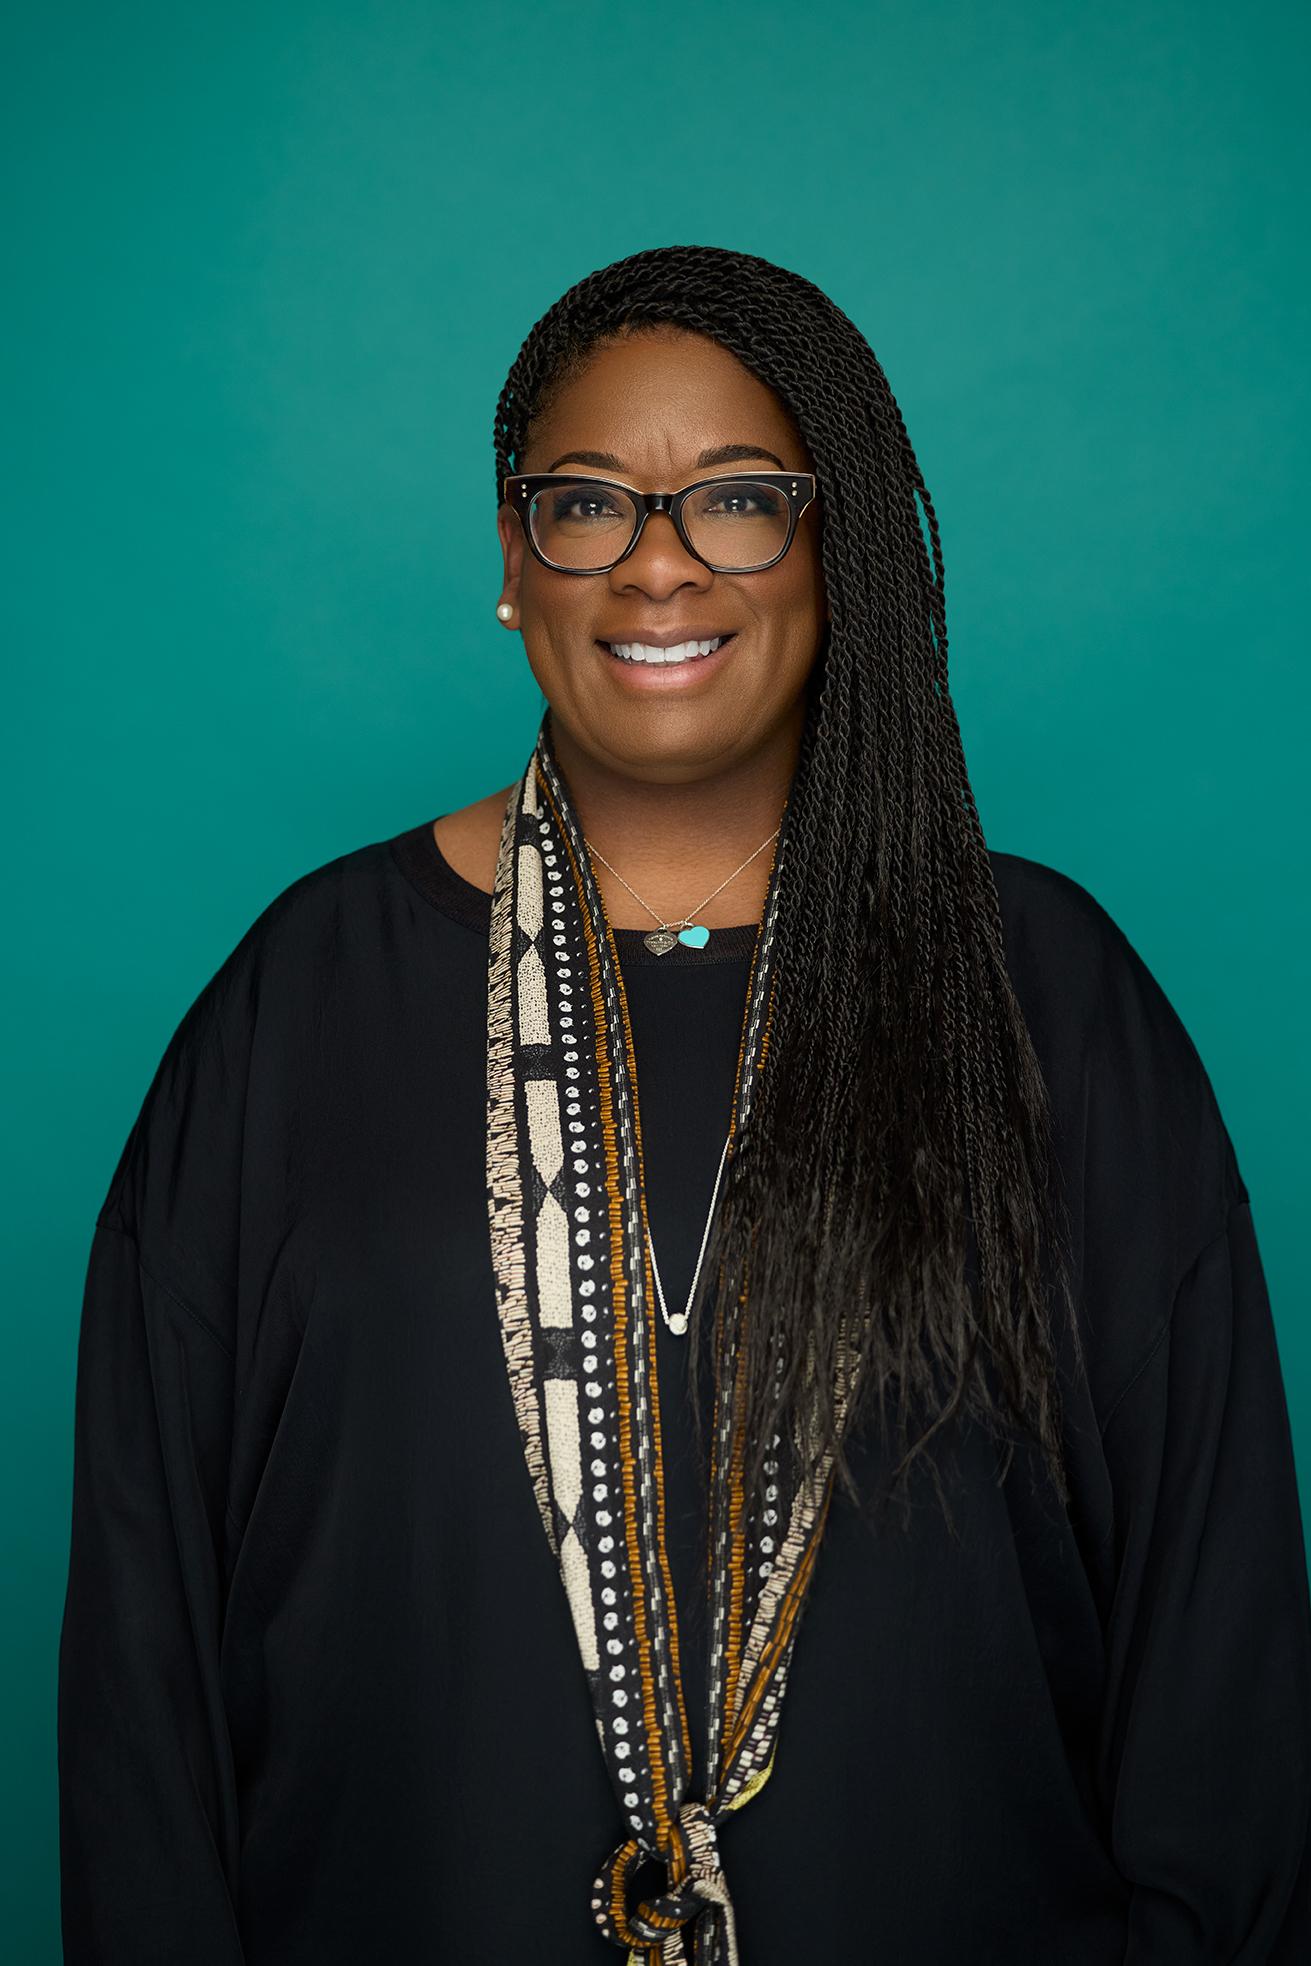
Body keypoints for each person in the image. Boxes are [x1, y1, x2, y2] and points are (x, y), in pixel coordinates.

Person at [57, 244, 1310, 1964]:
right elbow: (141, 1666)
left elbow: (1220, 1650)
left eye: (737, 499)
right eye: (586, 504)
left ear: (833, 546)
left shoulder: (1043, 996)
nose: (655, 564)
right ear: (514, 557)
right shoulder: (296, 1008)